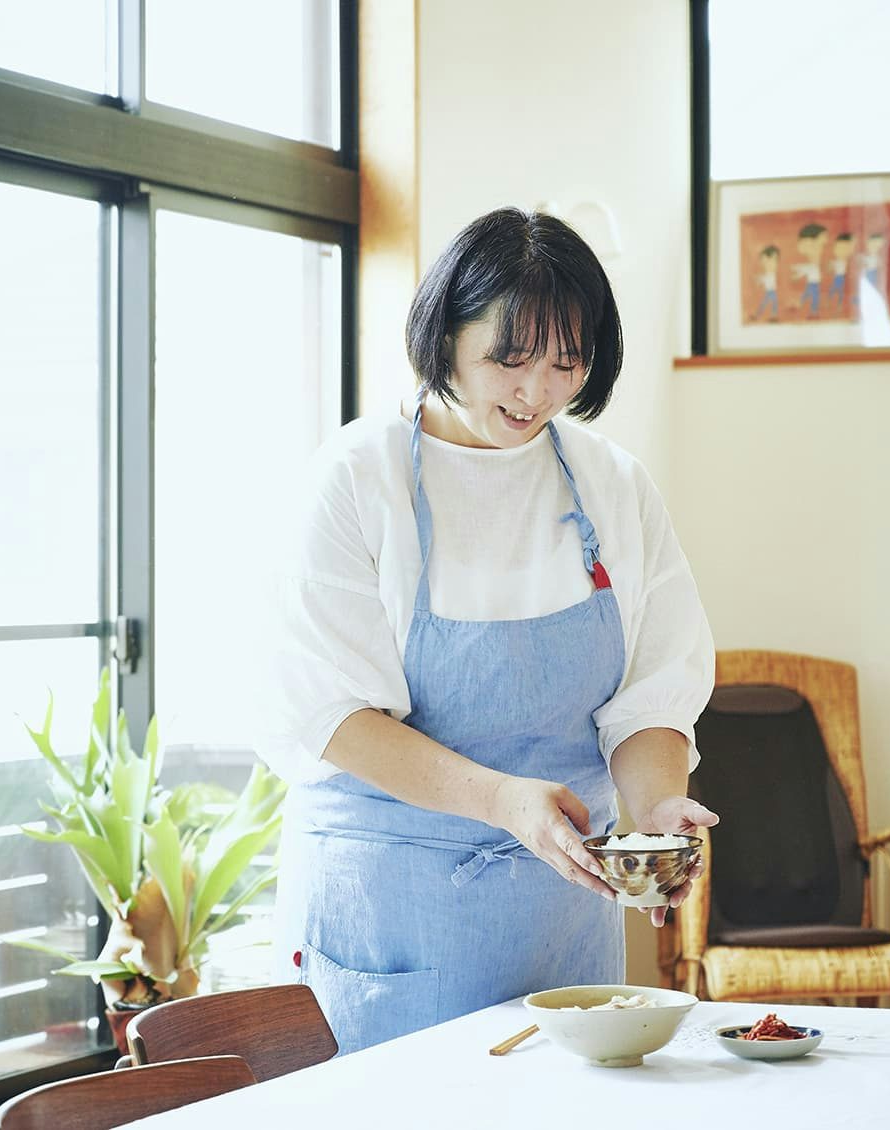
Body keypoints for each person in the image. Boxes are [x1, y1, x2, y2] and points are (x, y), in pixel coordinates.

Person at [259, 206, 717, 1056]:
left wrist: (657, 810)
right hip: (392, 917)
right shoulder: (355, 480)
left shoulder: (612, 485)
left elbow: (652, 692)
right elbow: (331, 715)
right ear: (445, 334)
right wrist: (504, 802)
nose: (536, 392)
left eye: (566, 363)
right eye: (510, 358)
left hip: (560, 918)